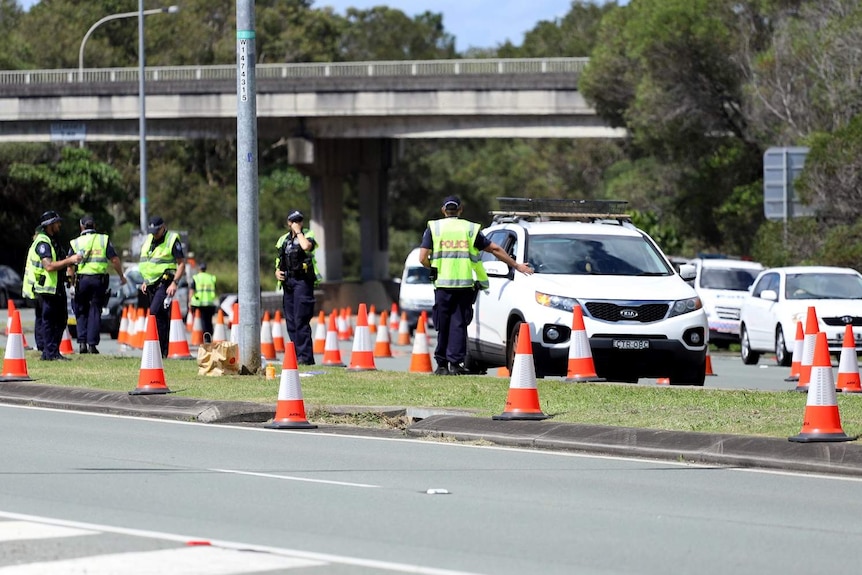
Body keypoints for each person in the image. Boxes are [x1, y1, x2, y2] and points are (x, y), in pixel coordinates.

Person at [419, 195, 533, 375]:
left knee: (443, 323)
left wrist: (432, 267)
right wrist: (516, 266)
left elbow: (422, 257)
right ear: (460, 210)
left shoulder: (434, 228)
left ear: (443, 210)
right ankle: (456, 364)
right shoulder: (469, 229)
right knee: (458, 324)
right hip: (465, 286)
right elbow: (494, 249)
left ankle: (441, 366)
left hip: (442, 285)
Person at [28, 211, 83, 361]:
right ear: (50, 225)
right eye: (57, 223)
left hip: (56, 287)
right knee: (50, 321)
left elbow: (58, 261)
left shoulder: (53, 241)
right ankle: (49, 353)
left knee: (60, 319)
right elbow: (49, 266)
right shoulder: (43, 243)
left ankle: (53, 352)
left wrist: (70, 262)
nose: (59, 225)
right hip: (47, 289)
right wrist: (70, 260)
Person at [69, 215, 126, 354]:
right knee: (95, 311)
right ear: (94, 226)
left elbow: (69, 265)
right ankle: (92, 345)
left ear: (81, 226)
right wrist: (121, 276)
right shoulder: (103, 239)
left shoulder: (76, 242)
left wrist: (71, 284)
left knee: (81, 311)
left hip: (81, 281)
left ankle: (82, 343)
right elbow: (114, 260)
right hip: (98, 281)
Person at [275, 210, 321, 365]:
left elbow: (306, 247)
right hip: (288, 283)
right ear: (288, 222)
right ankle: (295, 355)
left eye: (300, 220)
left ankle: (305, 358)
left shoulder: (308, 235)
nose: (297, 223)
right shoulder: (283, 240)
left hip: (303, 282)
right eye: (294, 221)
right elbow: (279, 259)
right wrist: (277, 272)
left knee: (301, 319)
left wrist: (299, 232)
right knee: (291, 321)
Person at [139, 216, 186, 357]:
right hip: (150, 283)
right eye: (152, 230)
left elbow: (181, 264)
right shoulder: (149, 239)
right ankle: (161, 351)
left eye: (156, 230)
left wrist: (175, 283)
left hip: (165, 282)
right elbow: (148, 262)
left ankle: (158, 348)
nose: (154, 233)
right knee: (160, 316)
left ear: (163, 227)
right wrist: (145, 281)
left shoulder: (172, 240)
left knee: (154, 312)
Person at [189, 262, 217, 337]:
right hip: (209, 303)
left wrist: (190, 301)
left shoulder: (196, 277)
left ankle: (205, 337)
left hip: (199, 303)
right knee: (209, 321)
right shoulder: (211, 277)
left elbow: (191, 290)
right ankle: (210, 336)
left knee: (202, 321)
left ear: (199, 268)